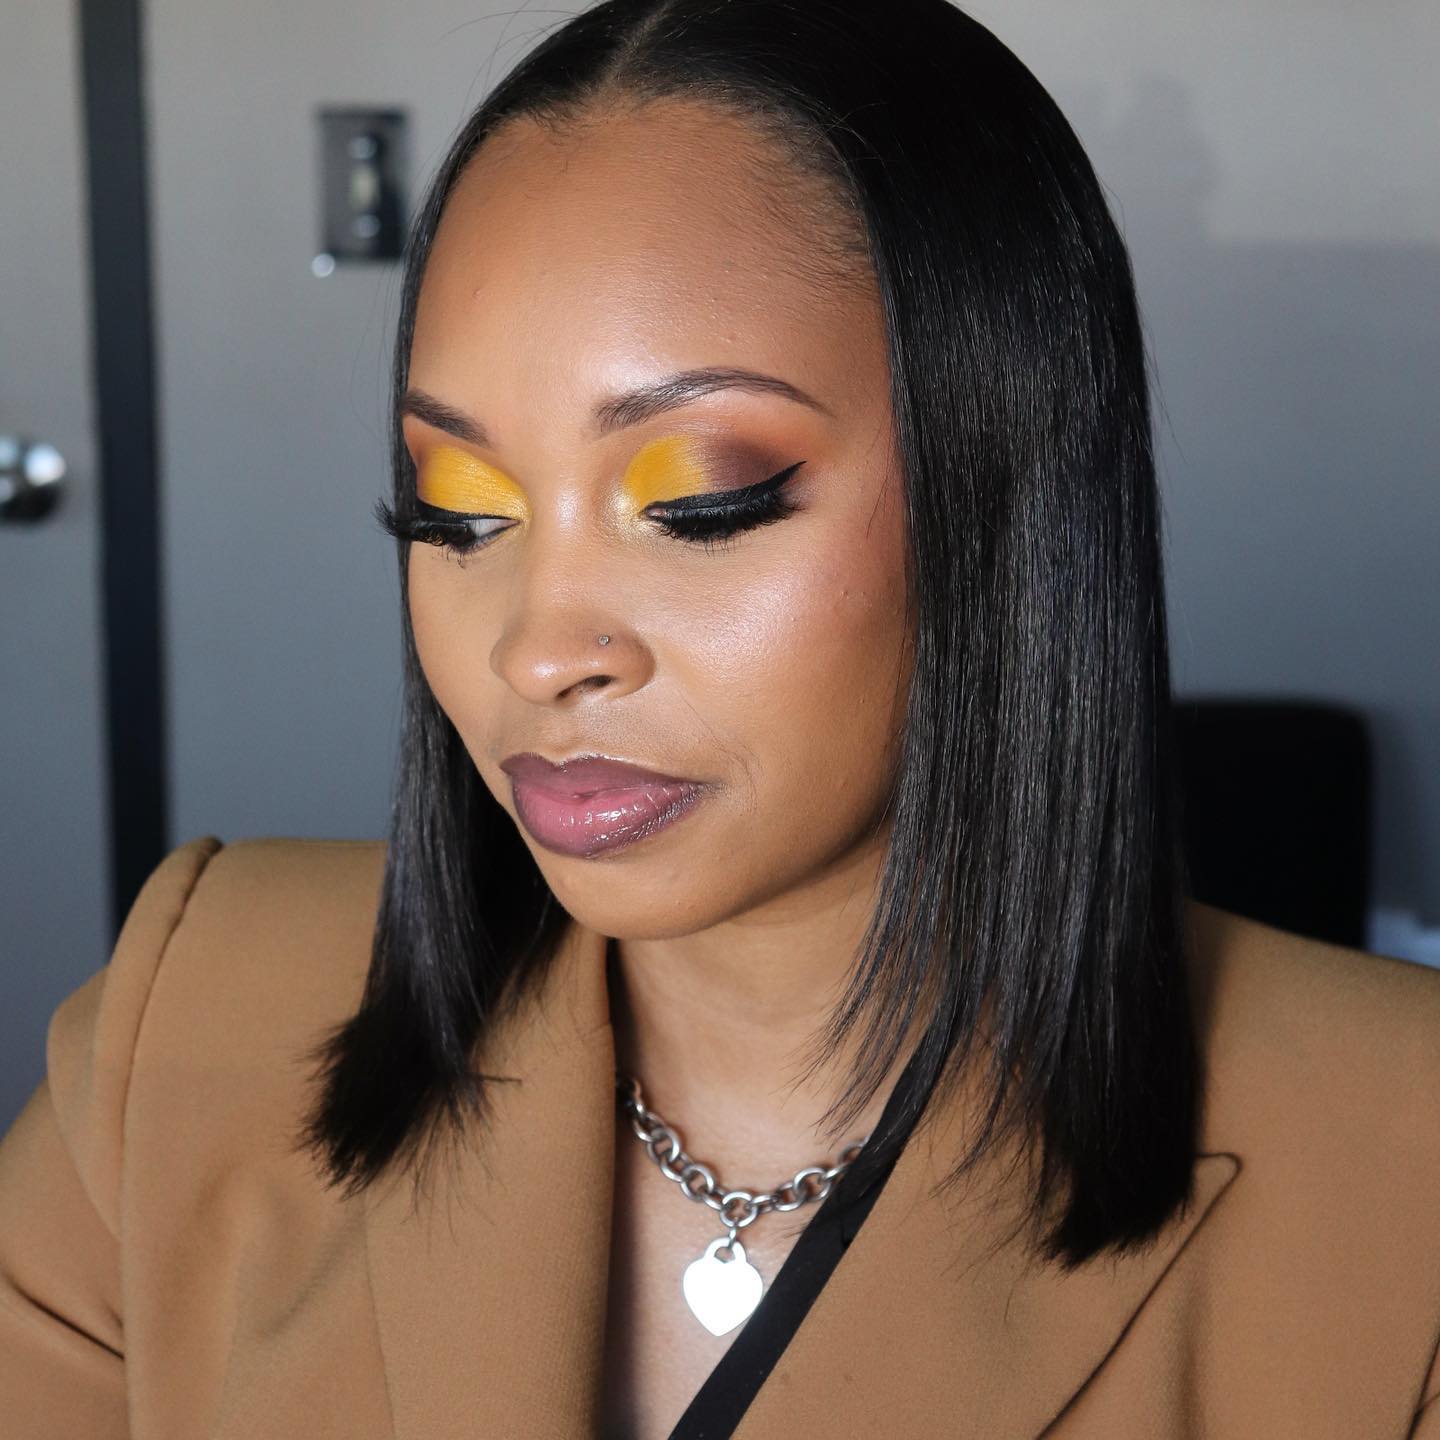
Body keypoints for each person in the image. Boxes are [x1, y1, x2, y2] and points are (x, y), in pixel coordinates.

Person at [2, 0, 1438, 1435]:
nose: (539, 652)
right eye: (459, 513)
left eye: (701, 504)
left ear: (1007, 493)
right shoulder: (183, 1023)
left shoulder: (1399, 1174)